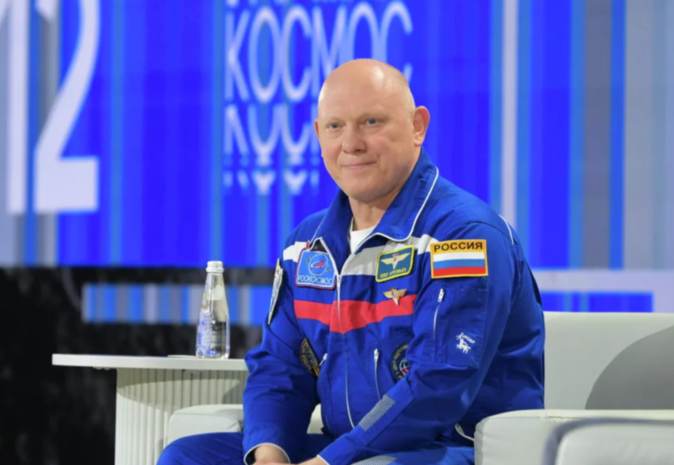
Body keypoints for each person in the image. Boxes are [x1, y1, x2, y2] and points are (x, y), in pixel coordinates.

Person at [158, 59, 545, 465]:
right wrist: (271, 454)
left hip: (459, 450)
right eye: (335, 126)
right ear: (317, 134)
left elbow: (438, 384)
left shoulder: (463, 236)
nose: (351, 143)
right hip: (351, 452)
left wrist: (329, 462)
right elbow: (282, 367)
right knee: (187, 457)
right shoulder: (306, 244)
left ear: (417, 126)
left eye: (371, 122)